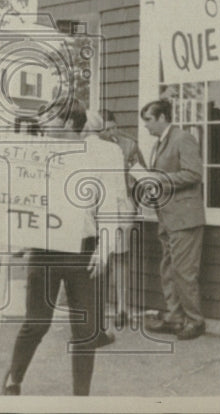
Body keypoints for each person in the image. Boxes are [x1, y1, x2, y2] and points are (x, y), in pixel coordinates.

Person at [3, 98, 111, 396]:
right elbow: (17, 198)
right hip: (45, 248)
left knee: (85, 331)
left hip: (84, 251)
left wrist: (105, 247)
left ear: (67, 123)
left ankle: (81, 397)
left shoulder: (97, 157)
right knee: (36, 322)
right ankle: (14, 379)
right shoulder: (35, 154)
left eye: (49, 118)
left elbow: (113, 207)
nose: (42, 122)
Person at [140, 98, 206, 340]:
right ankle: (176, 316)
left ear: (162, 118)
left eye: (148, 120)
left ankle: (195, 320)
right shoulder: (159, 144)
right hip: (168, 217)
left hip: (184, 218)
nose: (145, 126)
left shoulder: (182, 139)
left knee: (184, 271)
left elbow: (193, 173)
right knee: (169, 269)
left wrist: (160, 180)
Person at [98, 109, 145, 328]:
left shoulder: (128, 145)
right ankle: (98, 306)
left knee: (120, 256)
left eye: (113, 127)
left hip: (121, 205)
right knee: (99, 256)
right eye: (105, 129)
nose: (109, 132)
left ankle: (122, 307)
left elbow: (143, 176)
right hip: (97, 207)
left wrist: (133, 202)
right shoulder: (92, 147)